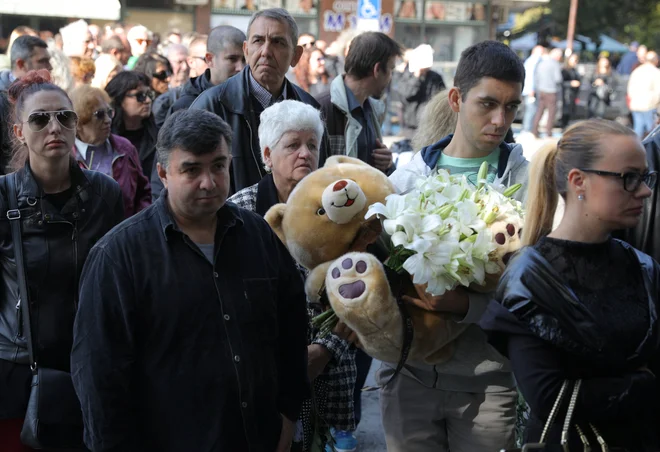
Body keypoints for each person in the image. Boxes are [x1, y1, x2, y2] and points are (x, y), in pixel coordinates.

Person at [71, 108, 309, 452]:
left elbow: (290, 327)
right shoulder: (118, 257)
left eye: (218, 166)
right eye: (192, 169)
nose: (209, 182)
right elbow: (98, 375)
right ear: (163, 172)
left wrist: (287, 417)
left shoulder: (257, 234)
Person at [375, 40, 528, 452]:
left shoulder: (529, 185)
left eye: (512, 107)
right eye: (488, 104)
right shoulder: (406, 179)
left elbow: (533, 292)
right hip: (409, 378)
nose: (500, 119)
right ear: (457, 99)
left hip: (489, 384)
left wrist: (466, 306)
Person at [481, 119, 660, 451]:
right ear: (579, 181)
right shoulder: (529, 278)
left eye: (646, 177)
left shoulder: (643, 266)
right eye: (629, 178)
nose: (646, 190)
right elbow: (551, 397)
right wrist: (644, 381)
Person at [0, 70, 123, 452]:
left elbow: (120, 282)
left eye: (64, 117)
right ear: (20, 132)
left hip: (88, 364)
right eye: (39, 119)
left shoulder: (105, 194)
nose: (54, 126)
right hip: (16, 369)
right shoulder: (4, 198)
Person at [228, 100, 356, 452]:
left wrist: (324, 350)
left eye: (312, 145)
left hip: (330, 370)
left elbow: (360, 290)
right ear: (267, 154)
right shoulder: (242, 211)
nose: (304, 154)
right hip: (265, 372)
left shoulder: (339, 207)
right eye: (292, 145)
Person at [190, 8, 328, 194]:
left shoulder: (309, 109)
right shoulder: (211, 106)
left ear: (295, 56)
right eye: (258, 41)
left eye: (278, 42)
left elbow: (320, 179)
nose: (266, 51)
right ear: (246, 50)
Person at [317, 31, 400, 173]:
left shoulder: (372, 109)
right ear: (377, 69)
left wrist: (387, 165)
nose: (391, 77)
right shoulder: (322, 109)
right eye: (391, 69)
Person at [70, 85, 151, 218]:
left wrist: (139, 223)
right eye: (99, 115)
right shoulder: (67, 156)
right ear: (79, 123)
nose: (108, 120)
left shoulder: (124, 148)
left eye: (109, 112)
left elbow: (143, 193)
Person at [105, 71, 158, 179]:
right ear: (119, 99)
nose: (147, 100)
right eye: (140, 96)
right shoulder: (105, 137)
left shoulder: (159, 136)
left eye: (149, 95)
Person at [398, 44, 446, 139]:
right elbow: (407, 95)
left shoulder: (435, 77)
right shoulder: (408, 76)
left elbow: (441, 98)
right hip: (412, 125)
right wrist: (417, 76)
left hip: (430, 124)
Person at [531, 48, 563, 138]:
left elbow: (536, 77)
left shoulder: (541, 63)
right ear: (557, 56)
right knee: (551, 113)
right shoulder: (555, 64)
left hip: (541, 90)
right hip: (551, 91)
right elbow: (558, 79)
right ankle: (548, 132)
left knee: (539, 111)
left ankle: (534, 130)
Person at [628, 51, 660, 138]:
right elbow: (658, 91)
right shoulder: (656, 72)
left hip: (636, 105)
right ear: (656, 60)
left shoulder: (637, 71)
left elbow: (630, 89)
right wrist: (655, 104)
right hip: (649, 106)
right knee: (651, 132)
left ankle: (635, 150)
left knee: (638, 130)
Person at [521, 45, 546, 134]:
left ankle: (528, 129)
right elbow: (530, 77)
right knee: (530, 110)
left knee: (531, 110)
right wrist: (531, 89)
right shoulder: (533, 62)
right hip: (530, 91)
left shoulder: (532, 61)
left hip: (529, 90)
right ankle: (526, 130)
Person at [561, 53, 581, 129]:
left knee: (571, 111)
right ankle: (564, 126)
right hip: (567, 94)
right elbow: (561, 82)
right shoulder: (564, 70)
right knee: (566, 111)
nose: (575, 62)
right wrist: (570, 83)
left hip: (573, 94)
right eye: (574, 60)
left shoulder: (575, 70)